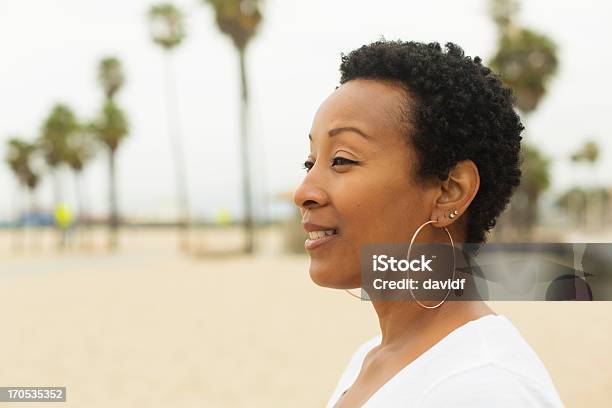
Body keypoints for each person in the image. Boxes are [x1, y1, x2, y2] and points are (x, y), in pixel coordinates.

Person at [293, 40, 563, 407]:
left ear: (450, 191)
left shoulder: (485, 388)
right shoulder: (371, 359)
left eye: (342, 160)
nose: (305, 191)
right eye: (310, 163)